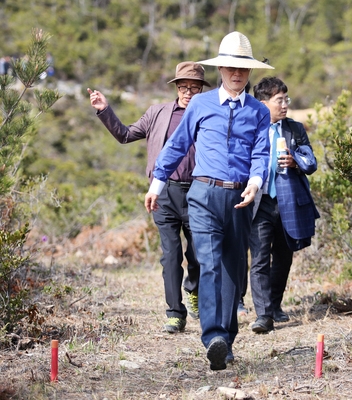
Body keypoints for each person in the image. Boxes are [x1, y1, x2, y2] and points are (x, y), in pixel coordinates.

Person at [144, 31, 274, 371]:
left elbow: (262, 152)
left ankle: (226, 342)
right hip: (201, 193)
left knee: (233, 267)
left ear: (249, 72)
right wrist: (157, 183)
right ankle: (213, 336)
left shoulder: (259, 111)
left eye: (243, 69)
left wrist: (256, 181)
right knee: (210, 262)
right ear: (220, 69)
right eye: (230, 67)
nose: (236, 74)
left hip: (241, 197)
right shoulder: (200, 105)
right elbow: (177, 145)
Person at [87, 61, 212, 334]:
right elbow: (125, 134)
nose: (188, 92)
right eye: (183, 87)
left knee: (198, 254)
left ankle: (193, 291)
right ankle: (174, 313)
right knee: (170, 255)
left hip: (199, 192)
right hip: (164, 192)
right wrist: (104, 110)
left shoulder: (209, 115)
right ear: (176, 88)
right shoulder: (157, 113)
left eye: (194, 87)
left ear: (202, 90)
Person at [249, 77, 319, 333]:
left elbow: (311, 163)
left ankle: (275, 305)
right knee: (258, 259)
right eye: (280, 100)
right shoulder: (251, 128)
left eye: (286, 99)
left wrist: (296, 161)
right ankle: (263, 316)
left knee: (283, 257)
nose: (285, 105)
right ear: (263, 103)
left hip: (288, 202)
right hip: (259, 202)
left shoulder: (295, 129)